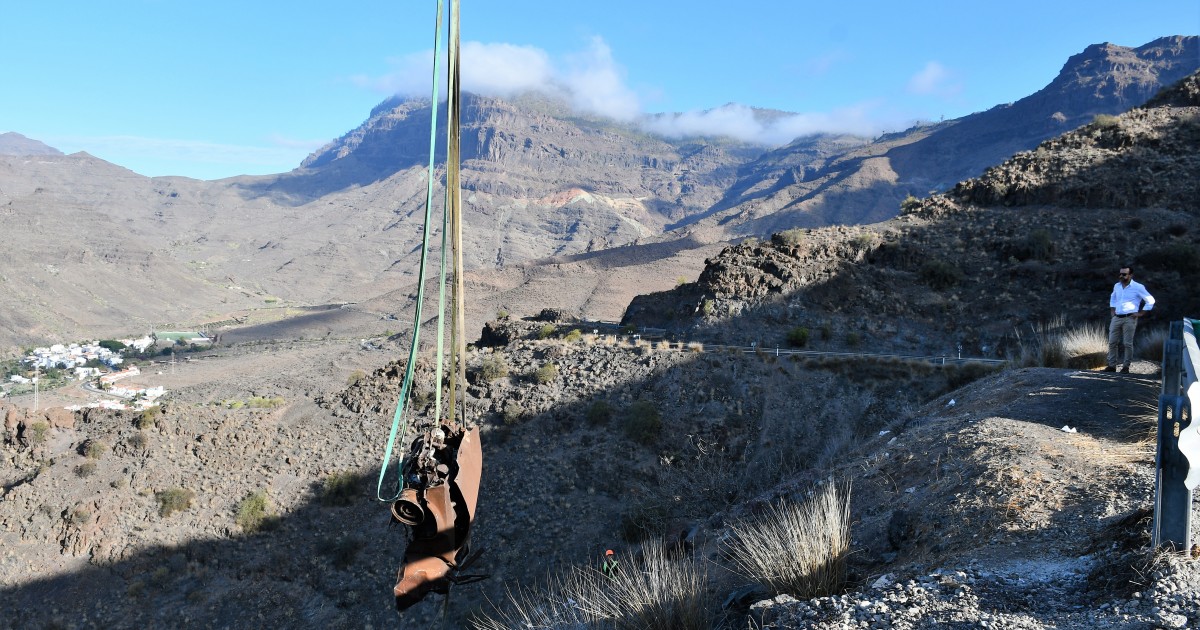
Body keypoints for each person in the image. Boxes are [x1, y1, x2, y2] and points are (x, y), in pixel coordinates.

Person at [1106, 266, 1155, 373]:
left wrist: (1141, 313)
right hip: (1117, 317)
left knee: (1127, 343)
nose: (1121, 276)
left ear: (1130, 275)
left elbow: (1150, 300)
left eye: (1124, 274)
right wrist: (1112, 310)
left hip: (1130, 318)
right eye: (1120, 274)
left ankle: (1125, 367)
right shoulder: (1117, 286)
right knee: (1112, 342)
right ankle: (1111, 366)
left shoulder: (1138, 287)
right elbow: (1113, 297)